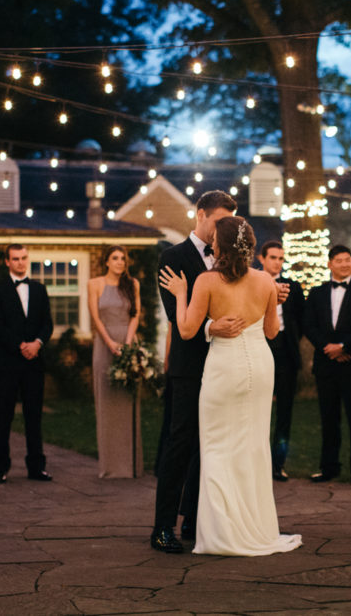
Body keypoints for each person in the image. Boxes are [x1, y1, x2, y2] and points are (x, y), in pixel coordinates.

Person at [159, 216, 302, 557]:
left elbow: (187, 330)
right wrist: (269, 302)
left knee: (217, 446)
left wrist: (181, 294)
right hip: (260, 366)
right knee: (252, 446)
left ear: (219, 246)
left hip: (224, 367)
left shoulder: (207, 281)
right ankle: (254, 526)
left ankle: (223, 531)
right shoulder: (266, 280)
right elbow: (271, 332)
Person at [151, 190, 241, 554]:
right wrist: (210, 327)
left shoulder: (230, 258)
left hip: (225, 363)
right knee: (180, 443)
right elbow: (176, 315)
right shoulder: (172, 257)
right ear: (200, 214)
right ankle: (163, 527)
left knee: (212, 444)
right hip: (189, 366)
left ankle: (193, 517)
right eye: (218, 221)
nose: (222, 229)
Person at [302, 244, 351, 485]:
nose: (345, 264)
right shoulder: (317, 293)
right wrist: (328, 348)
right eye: (339, 260)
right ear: (329, 264)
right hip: (326, 365)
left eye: (348, 259)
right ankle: (328, 467)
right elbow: (309, 325)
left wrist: (344, 347)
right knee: (328, 419)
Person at [0, 243, 54, 484]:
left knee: (34, 417)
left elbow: (47, 323)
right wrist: (20, 345)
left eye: (24, 258)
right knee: (3, 417)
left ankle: (36, 467)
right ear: (7, 261)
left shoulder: (39, 289)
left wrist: (37, 343)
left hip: (34, 363)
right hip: (7, 362)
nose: (20, 262)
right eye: (15, 259)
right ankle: (0, 468)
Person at [87, 245, 143, 478]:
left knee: (128, 401)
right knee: (107, 401)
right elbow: (95, 318)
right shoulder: (94, 284)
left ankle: (130, 466)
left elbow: (135, 315)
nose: (120, 262)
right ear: (106, 262)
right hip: (104, 343)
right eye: (115, 258)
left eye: (123, 259)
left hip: (128, 341)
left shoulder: (133, 284)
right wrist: (110, 343)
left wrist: (128, 344)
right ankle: (110, 466)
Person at [257, 240, 304, 482]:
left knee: (284, 411)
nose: (277, 262)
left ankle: (278, 463)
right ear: (262, 258)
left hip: (285, 352)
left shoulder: (293, 287)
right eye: (273, 257)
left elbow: (302, 320)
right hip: (259, 347)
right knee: (256, 408)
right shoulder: (252, 283)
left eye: (281, 258)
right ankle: (256, 461)